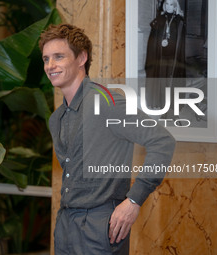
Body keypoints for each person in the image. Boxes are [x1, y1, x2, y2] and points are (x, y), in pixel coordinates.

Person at [39, 23, 176, 254]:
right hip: (65, 223)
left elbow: (162, 141)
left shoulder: (107, 103)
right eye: (46, 59)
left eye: (59, 57)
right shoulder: (57, 118)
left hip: (100, 225)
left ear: (81, 58)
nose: (50, 65)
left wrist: (133, 201)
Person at [145, 0, 186, 116]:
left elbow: (182, 43)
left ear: (175, 6)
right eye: (166, 4)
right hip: (161, 57)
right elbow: (152, 40)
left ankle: (173, 107)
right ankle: (163, 108)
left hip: (174, 58)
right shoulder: (159, 20)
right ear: (164, 5)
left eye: (171, 4)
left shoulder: (180, 21)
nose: (168, 7)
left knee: (172, 83)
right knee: (162, 83)